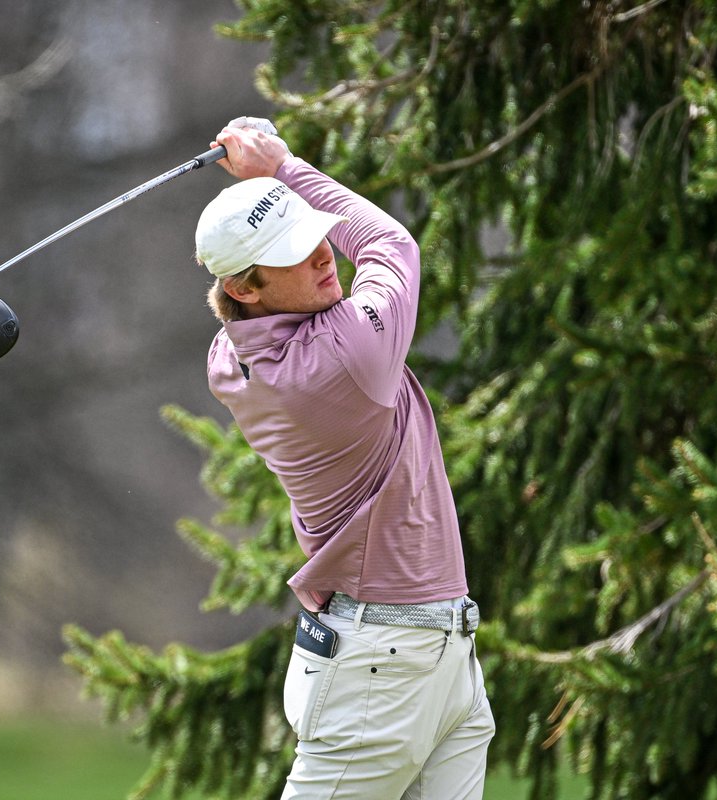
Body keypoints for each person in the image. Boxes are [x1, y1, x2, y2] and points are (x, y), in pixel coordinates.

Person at [194, 117, 495, 799]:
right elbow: (391, 243)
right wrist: (283, 166)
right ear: (245, 287)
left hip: (432, 654)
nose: (325, 253)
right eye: (293, 253)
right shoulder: (343, 358)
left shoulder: (232, 352)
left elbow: (308, 269)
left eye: (313, 233)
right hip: (381, 666)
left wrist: (271, 197)